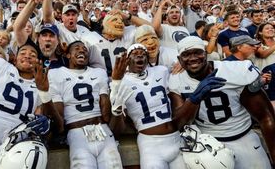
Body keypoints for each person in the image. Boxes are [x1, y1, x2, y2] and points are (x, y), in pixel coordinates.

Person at [169, 36, 275, 169]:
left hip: (244, 139)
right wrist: (194, 98)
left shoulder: (234, 70)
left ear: (206, 54)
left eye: (197, 52)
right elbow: (178, 123)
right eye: (186, 54)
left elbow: (265, 116)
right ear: (179, 60)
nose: (193, 58)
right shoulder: (177, 80)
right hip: (208, 146)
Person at [110, 44, 186, 169]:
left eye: (143, 53)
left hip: (176, 137)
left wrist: (182, 65)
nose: (140, 55)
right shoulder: (121, 82)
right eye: (135, 53)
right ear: (127, 60)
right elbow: (116, 130)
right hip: (150, 143)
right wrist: (117, 110)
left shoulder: (161, 71)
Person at [48, 41, 123, 168]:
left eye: (85, 49)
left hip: (102, 130)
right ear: (68, 55)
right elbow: (59, 119)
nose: (82, 50)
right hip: (77, 133)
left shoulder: (99, 73)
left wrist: (115, 83)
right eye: (77, 48)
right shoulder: (55, 74)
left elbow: (106, 115)